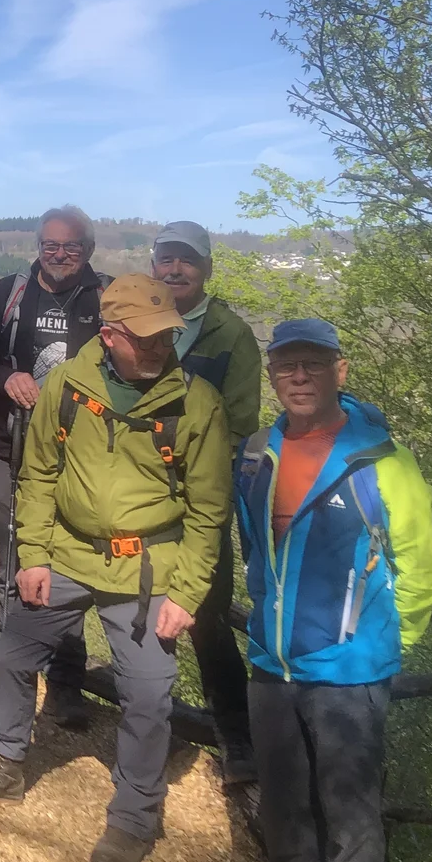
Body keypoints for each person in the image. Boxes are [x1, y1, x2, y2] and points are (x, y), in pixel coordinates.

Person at [0, 275, 231, 862]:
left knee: (150, 693)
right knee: (14, 653)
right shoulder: (67, 385)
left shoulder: (198, 403)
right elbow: (39, 475)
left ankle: (134, 816)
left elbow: (209, 511)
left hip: (147, 567)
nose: (159, 348)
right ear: (109, 336)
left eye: (165, 336)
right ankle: (5, 762)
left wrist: (187, 592)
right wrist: (33, 556)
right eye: (145, 338)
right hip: (66, 552)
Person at [228, 319, 432, 862]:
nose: (298, 377)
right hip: (274, 661)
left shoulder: (383, 461)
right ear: (272, 376)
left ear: (339, 372)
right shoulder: (257, 454)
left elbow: (424, 571)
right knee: (285, 802)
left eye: (313, 365)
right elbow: (256, 550)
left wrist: (378, 643)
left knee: (350, 817)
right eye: (286, 366)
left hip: (351, 673)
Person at [0, 206, 107, 727]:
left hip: (80, 457)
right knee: (12, 558)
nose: (60, 255)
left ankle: (66, 685)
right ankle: (12, 682)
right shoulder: (10, 292)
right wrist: (5, 378)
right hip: (9, 445)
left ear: (88, 250)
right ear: (38, 246)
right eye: (51, 245)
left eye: (71, 247)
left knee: (67, 567)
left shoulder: (104, 297)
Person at [151, 221, 264, 784]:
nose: (175, 270)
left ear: (207, 269)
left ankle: (237, 738)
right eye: (166, 259)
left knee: (208, 616)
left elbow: (241, 423)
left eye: (187, 261)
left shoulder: (230, 334)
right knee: (143, 609)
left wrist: (191, 462)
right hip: (141, 495)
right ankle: (155, 725)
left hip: (200, 497)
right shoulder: (139, 320)